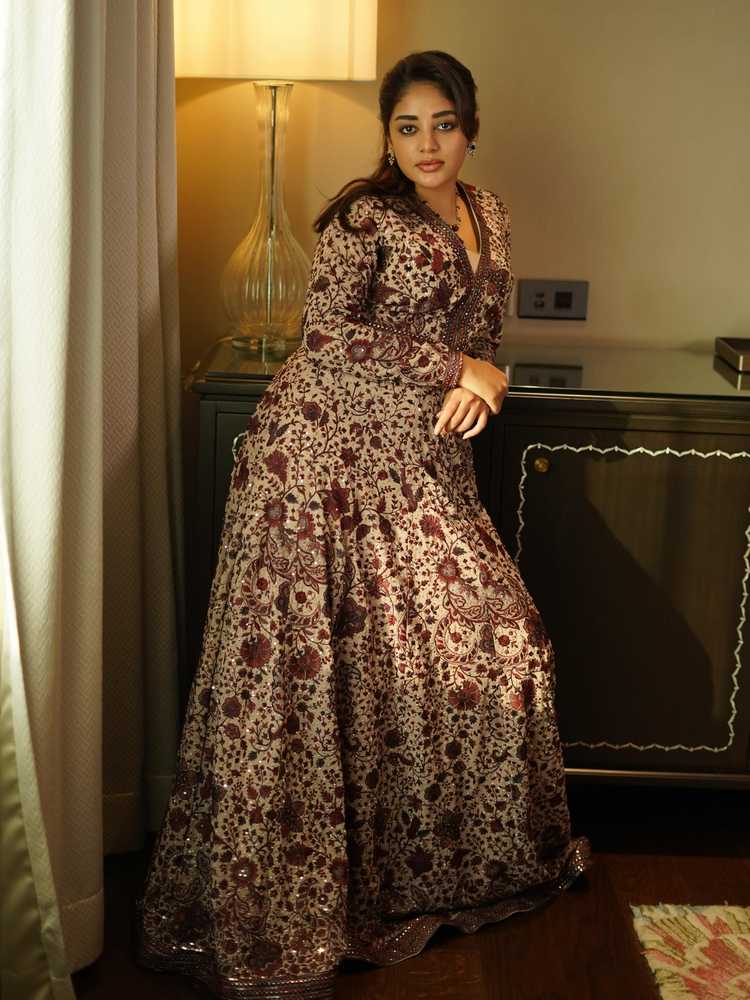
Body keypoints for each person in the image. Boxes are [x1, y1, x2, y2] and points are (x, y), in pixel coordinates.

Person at [137, 49, 592, 1000]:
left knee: (501, 639)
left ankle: (432, 873)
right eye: (407, 126)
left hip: (421, 458)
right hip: (320, 457)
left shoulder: (491, 212)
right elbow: (327, 334)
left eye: (443, 124)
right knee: (315, 669)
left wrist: (483, 382)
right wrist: (456, 370)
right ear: (388, 136)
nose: (427, 144)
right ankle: (301, 901)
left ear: (471, 128)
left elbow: (482, 334)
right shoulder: (362, 217)